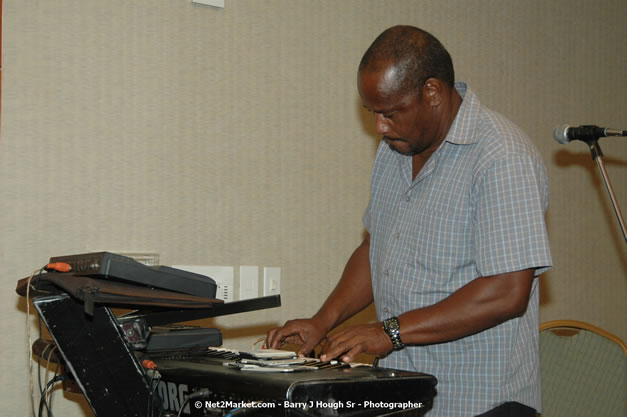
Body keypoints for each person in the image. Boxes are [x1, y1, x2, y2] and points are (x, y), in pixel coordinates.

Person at [266, 25, 552, 417]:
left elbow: (506, 291)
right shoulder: (395, 151)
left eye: (390, 112)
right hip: (403, 396)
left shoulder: (502, 157)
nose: (380, 127)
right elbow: (377, 249)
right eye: (373, 114)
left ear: (432, 92)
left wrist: (389, 331)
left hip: (481, 402)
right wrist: (323, 320)